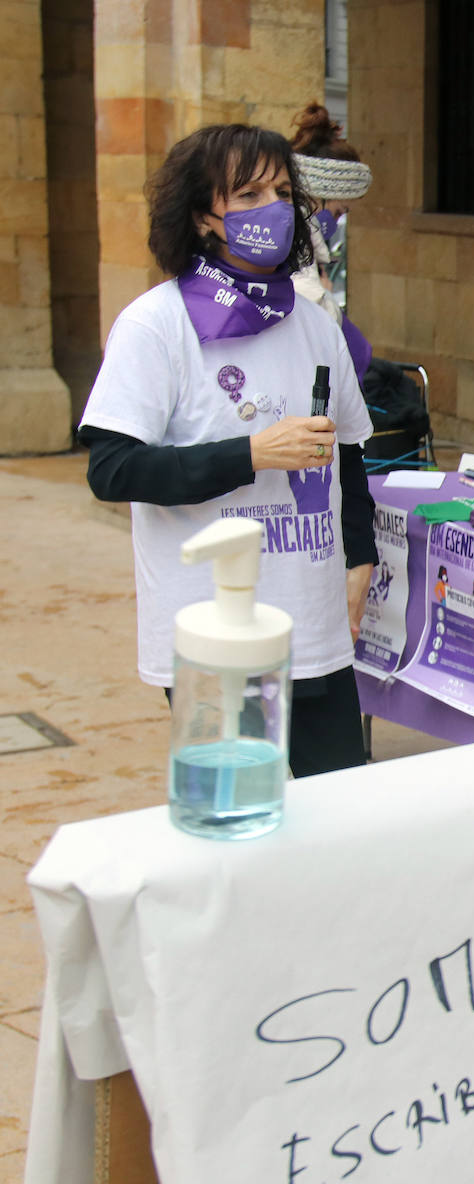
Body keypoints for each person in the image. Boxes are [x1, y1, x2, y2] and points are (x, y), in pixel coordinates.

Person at [78, 124, 378, 779]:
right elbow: (113, 469)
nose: (271, 208)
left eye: (281, 192)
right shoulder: (155, 326)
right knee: (239, 813)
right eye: (247, 195)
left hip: (313, 628)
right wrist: (250, 454)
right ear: (201, 216)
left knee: (342, 810)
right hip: (214, 634)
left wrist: (361, 556)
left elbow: (350, 450)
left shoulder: (314, 325)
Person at [288, 101, 374, 384]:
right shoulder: (290, 243)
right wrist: (323, 296)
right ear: (316, 196)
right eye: (338, 212)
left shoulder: (303, 241)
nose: (336, 223)